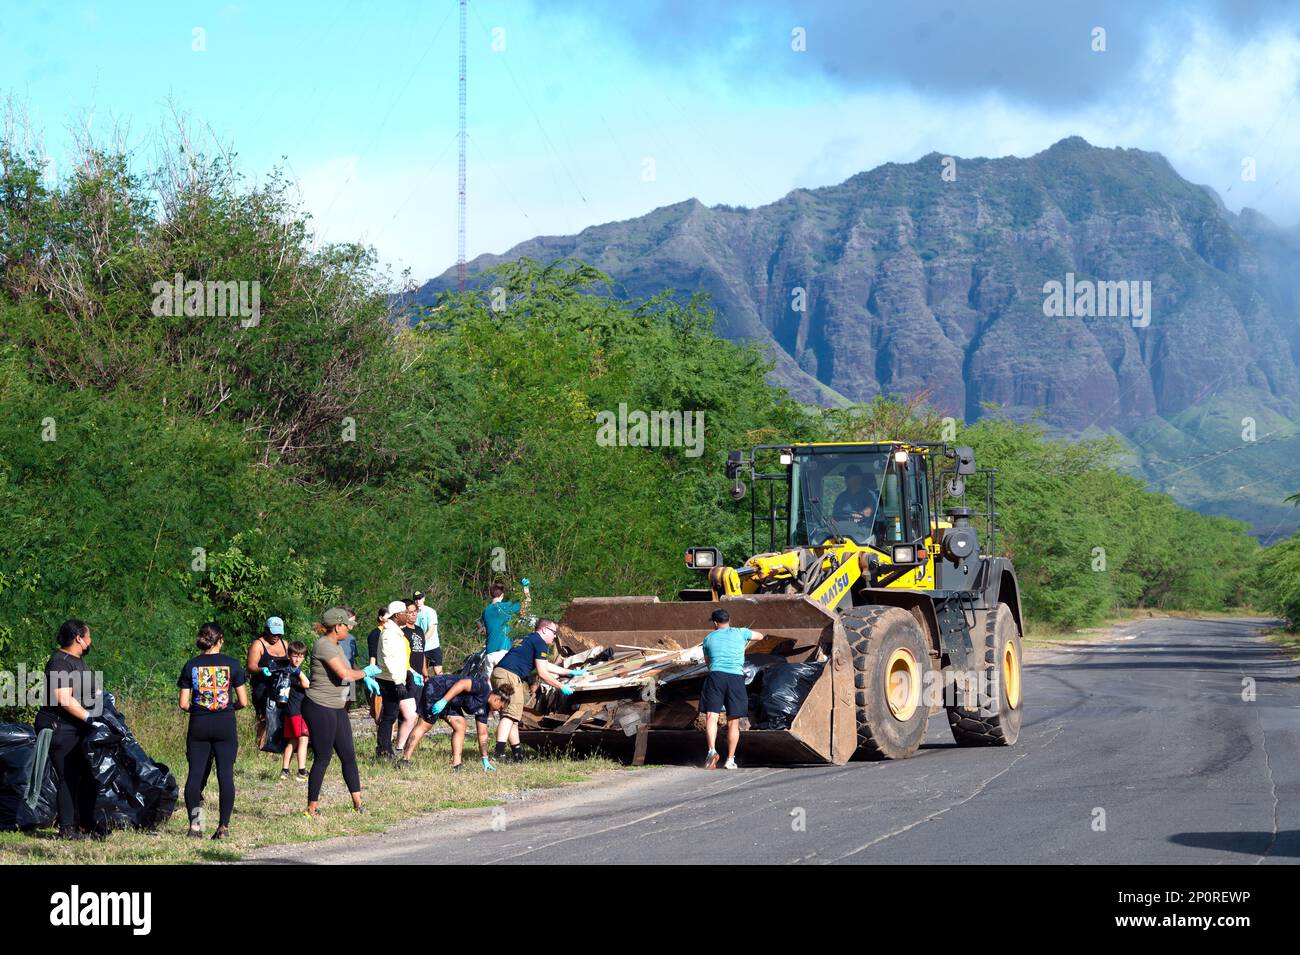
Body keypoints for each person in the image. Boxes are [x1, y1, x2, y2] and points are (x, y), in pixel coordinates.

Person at [302, 608, 382, 817]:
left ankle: (358, 804)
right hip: (320, 706)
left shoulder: (337, 646)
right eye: (347, 625)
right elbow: (344, 673)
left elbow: (348, 670)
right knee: (323, 757)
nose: (349, 629)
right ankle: (312, 807)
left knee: (348, 755)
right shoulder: (324, 646)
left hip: (336, 707)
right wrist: (365, 673)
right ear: (338, 626)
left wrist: (364, 677)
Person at [178, 622, 249, 839]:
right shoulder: (233, 665)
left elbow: (183, 704)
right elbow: (244, 702)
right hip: (225, 723)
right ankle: (223, 828)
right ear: (220, 640)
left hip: (199, 723)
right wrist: (227, 708)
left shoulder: (191, 665)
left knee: (195, 775)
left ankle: (196, 827)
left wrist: (200, 710)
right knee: (225, 775)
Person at [35, 619, 101, 840]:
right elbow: (63, 698)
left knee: (85, 776)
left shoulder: (77, 661)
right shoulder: (60, 662)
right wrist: (88, 717)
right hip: (58, 727)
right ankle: (67, 829)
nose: (91, 641)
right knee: (69, 776)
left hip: (75, 727)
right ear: (78, 639)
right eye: (88, 636)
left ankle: (85, 824)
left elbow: (89, 689)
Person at [489, 617, 583, 763]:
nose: (555, 636)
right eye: (553, 632)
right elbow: (543, 673)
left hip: (502, 673)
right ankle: (498, 754)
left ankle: (518, 755)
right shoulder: (539, 642)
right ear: (544, 629)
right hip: (509, 676)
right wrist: (561, 686)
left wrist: (569, 672)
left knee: (513, 717)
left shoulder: (531, 639)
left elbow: (546, 666)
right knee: (509, 716)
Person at [400, 674, 512, 771]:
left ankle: (457, 765)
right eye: (501, 707)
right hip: (438, 687)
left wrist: (485, 758)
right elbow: (462, 684)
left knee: (460, 725)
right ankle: (404, 760)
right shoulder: (483, 687)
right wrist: (443, 701)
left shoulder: (485, 709)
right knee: (425, 725)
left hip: (451, 701)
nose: (499, 710)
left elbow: (482, 734)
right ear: (497, 699)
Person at [700, 608, 761, 770]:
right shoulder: (741, 633)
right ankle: (730, 759)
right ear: (729, 620)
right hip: (735, 678)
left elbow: (708, 663)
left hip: (716, 676)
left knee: (711, 716)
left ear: (715, 623)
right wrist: (745, 639)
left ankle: (712, 750)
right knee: (733, 721)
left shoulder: (708, 639)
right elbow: (760, 636)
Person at [374, 600, 420, 760]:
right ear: (397, 615)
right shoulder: (388, 633)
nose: (408, 615)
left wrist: (408, 673)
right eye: (405, 613)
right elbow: (388, 659)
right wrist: (397, 681)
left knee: (392, 714)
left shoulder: (396, 632)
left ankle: (386, 749)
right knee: (389, 715)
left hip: (396, 678)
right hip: (389, 680)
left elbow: (400, 658)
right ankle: (383, 750)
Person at [247, 616, 288, 749]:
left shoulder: (284, 644)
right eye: (273, 632)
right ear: (266, 630)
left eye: (278, 633)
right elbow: (251, 666)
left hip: (281, 686)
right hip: (262, 686)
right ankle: (260, 747)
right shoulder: (258, 644)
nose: (276, 636)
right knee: (263, 717)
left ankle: (277, 745)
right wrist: (262, 669)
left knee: (281, 715)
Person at [279, 641, 311, 782]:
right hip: (296, 711)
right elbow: (307, 684)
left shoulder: (287, 670)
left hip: (291, 711)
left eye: (301, 656)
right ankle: (301, 771)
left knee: (292, 740)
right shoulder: (291, 672)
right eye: (295, 656)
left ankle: (284, 771)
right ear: (289, 656)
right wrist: (299, 672)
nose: (297, 659)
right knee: (303, 738)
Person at [482, 580, 531, 667]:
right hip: (502, 653)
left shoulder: (485, 611)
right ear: (502, 595)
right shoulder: (505, 607)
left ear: (491, 594)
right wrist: (526, 588)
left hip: (489, 654)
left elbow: (484, 632)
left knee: (488, 681)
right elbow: (526, 605)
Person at [365, 606, 388, 723]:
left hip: (389, 673)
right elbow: (373, 654)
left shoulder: (390, 632)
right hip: (378, 673)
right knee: (379, 710)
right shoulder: (375, 633)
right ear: (381, 617)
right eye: (387, 615)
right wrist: (371, 674)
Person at [413, 590, 443, 676]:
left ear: (423, 599)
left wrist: (421, 642)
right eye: (416, 599)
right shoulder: (413, 614)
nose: (418, 601)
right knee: (422, 674)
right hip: (420, 649)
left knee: (438, 673)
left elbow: (430, 630)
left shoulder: (430, 611)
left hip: (433, 647)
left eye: (420, 598)